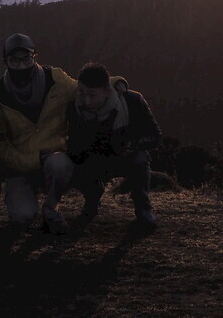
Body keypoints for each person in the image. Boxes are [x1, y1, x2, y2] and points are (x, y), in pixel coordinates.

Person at [0, 33, 77, 234]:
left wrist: (116, 83)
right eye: (14, 60)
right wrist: (29, 160)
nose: (21, 66)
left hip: (52, 158)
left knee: (60, 164)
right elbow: (0, 143)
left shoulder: (56, 80)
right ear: (6, 62)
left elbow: (84, 90)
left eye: (26, 59)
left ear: (35, 57)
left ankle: (51, 208)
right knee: (22, 217)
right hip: (20, 167)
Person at [67, 63, 161, 229]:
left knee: (140, 159)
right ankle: (91, 201)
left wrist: (133, 144)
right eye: (82, 93)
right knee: (69, 164)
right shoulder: (74, 108)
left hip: (124, 156)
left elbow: (155, 135)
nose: (87, 101)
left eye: (92, 95)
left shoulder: (132, 101)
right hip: (92, 159)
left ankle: (143, 208)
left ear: (107, 91)